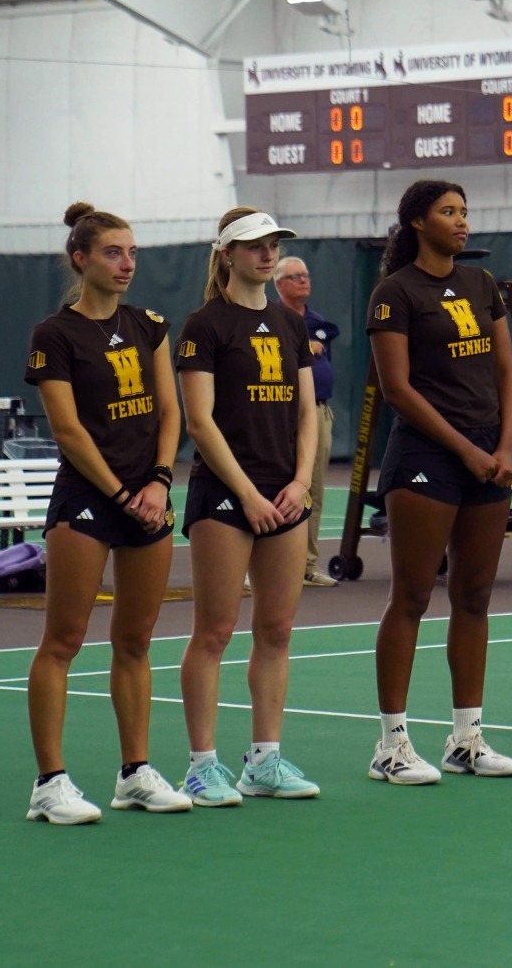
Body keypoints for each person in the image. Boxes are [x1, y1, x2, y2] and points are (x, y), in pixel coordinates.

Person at [20, 202, 190, 825]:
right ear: (81, 259)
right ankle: (49, 784)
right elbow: (67, 430)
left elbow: (170, 412)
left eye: (133, 253)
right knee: (63, 641)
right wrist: (122, 496)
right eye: (113, 252)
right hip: (88, 502)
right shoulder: (55, 335)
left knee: (136, 641)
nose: (127, 264)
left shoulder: (150, 324)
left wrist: (160, 483)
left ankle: (135, 774)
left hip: (149, 500)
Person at [364, 180, 512, 785]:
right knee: (411, 597)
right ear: (417, 222)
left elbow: (506, 370)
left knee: (474, 597)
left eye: (464, 211)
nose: (461, 221)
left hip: (488, 456)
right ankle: (391, 745)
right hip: (425, 456)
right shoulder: (394, 292)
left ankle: (467, 739)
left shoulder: (482, 284)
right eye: (448, 212)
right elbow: (397, 388)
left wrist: (503, 447)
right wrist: (465, 449)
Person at [176, 207, 322, 803]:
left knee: (277, 630)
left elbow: (307, 411)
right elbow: (199, 421)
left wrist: (301, 482)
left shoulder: (289, 323)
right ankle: (201, 766)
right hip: (225, 495)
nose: (267, 254)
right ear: (227, 254)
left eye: (273, 245)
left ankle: (264, 762)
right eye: (254, 245)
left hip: (285, 495)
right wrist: (247, 494)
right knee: (214, 631)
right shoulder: (204, 325)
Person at [275, 255, 340, 588]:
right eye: (295, 276)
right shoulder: (271, 319)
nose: (304, 281)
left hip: (319, 411)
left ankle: (307, 565)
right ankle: (267, 566)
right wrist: (299, 346)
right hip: (283, 413)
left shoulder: (317, 321)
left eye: (306, 275)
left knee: (313, 488)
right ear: (279, 284)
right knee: (276, 485)